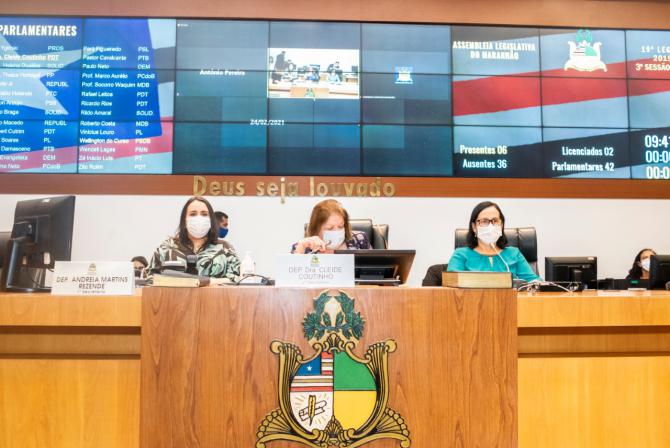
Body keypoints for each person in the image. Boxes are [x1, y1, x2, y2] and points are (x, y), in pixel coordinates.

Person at [147, 197, 240, 279]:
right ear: (184, 219)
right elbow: (150, 279)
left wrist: (207, 283)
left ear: (211, 220)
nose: (199, 218)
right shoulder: (166, 247)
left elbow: (238, 278)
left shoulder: (225, 248)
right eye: (193, 214)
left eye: (204, 214)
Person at [447, 201, 540, 282]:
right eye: (484, 221)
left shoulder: (514, 253)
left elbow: (534, 281)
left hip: (511, 302)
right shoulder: (461, 254)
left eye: (495, 221)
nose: (490, 226)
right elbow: (451, 285)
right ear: (474, 227)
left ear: (501, 224)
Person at [291, 199, 370, 254]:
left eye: (340, 226)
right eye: (330, 228)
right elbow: (290, 276)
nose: (336, 231)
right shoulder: (304, 247)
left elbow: (375, 272)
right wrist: (300, 248)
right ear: (316, 229)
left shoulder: (359, 240)